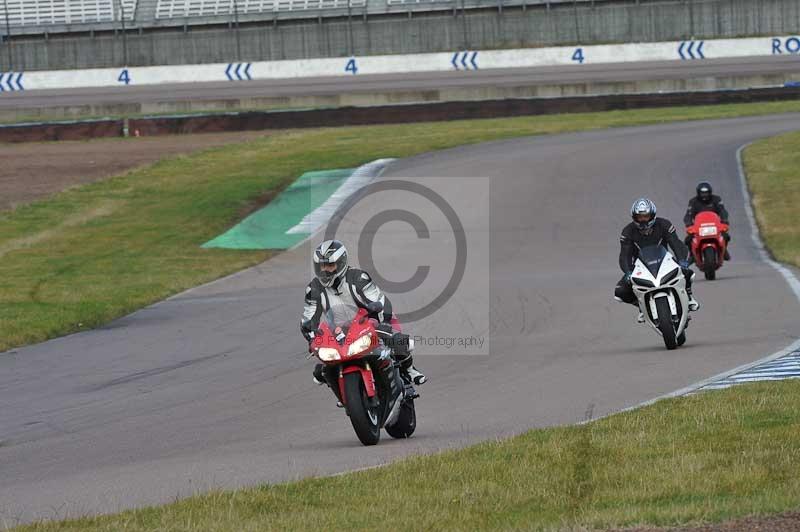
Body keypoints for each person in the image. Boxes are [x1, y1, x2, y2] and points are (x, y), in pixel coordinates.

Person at [300, 239, 427, 389]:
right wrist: (312, 339)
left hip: (370, 320)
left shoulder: (358, 278)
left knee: (397, 341)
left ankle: (409, 369)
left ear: (341, 263)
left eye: (330, 265)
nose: (325, 270)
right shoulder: (313, 289)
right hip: (339, 330)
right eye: (322, 266)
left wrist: (384, 323)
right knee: (322, 371)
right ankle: (344, 391)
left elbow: (380, 300)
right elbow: (308, 319)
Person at [615, 198, 700, 323]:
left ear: (653, 215)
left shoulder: (664, 224)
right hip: (640, 266)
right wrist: (628, 272)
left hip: (665, 260)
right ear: (634, 217)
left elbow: (676, 244)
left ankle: (689, 297)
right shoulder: (627, 232)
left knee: (687, 272)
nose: (643, 220)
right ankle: (641, 306)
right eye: (639, 217)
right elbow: (624, 255)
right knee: (620, 291)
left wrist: (682, 260)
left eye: (646, 216)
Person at [683, 181, 731, 260]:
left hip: (714, 225)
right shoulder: (693, 202)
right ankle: (692, 254)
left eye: (706, 193)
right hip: (699, 227)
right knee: (688, 239)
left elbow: (723, 211)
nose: (704, 195)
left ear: (710, 192)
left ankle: (724, 250)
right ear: (698, 193)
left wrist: (724, 220)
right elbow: (688, 214)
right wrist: (689, 224)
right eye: (702, 193)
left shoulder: (716, 199)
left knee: (726, 236)